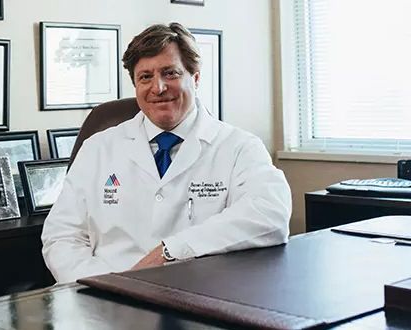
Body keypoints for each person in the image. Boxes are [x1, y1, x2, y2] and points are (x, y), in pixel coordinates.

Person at [42, 23, 292, 284]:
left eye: (170, 73)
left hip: (198, 295)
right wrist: (103, 284)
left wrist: (170, 251)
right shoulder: (98, 148)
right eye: (145, 77)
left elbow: (270, 213)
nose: (158, 87)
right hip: (105, 300)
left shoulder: (238, 147)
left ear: (195, 78)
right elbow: (61, 236)